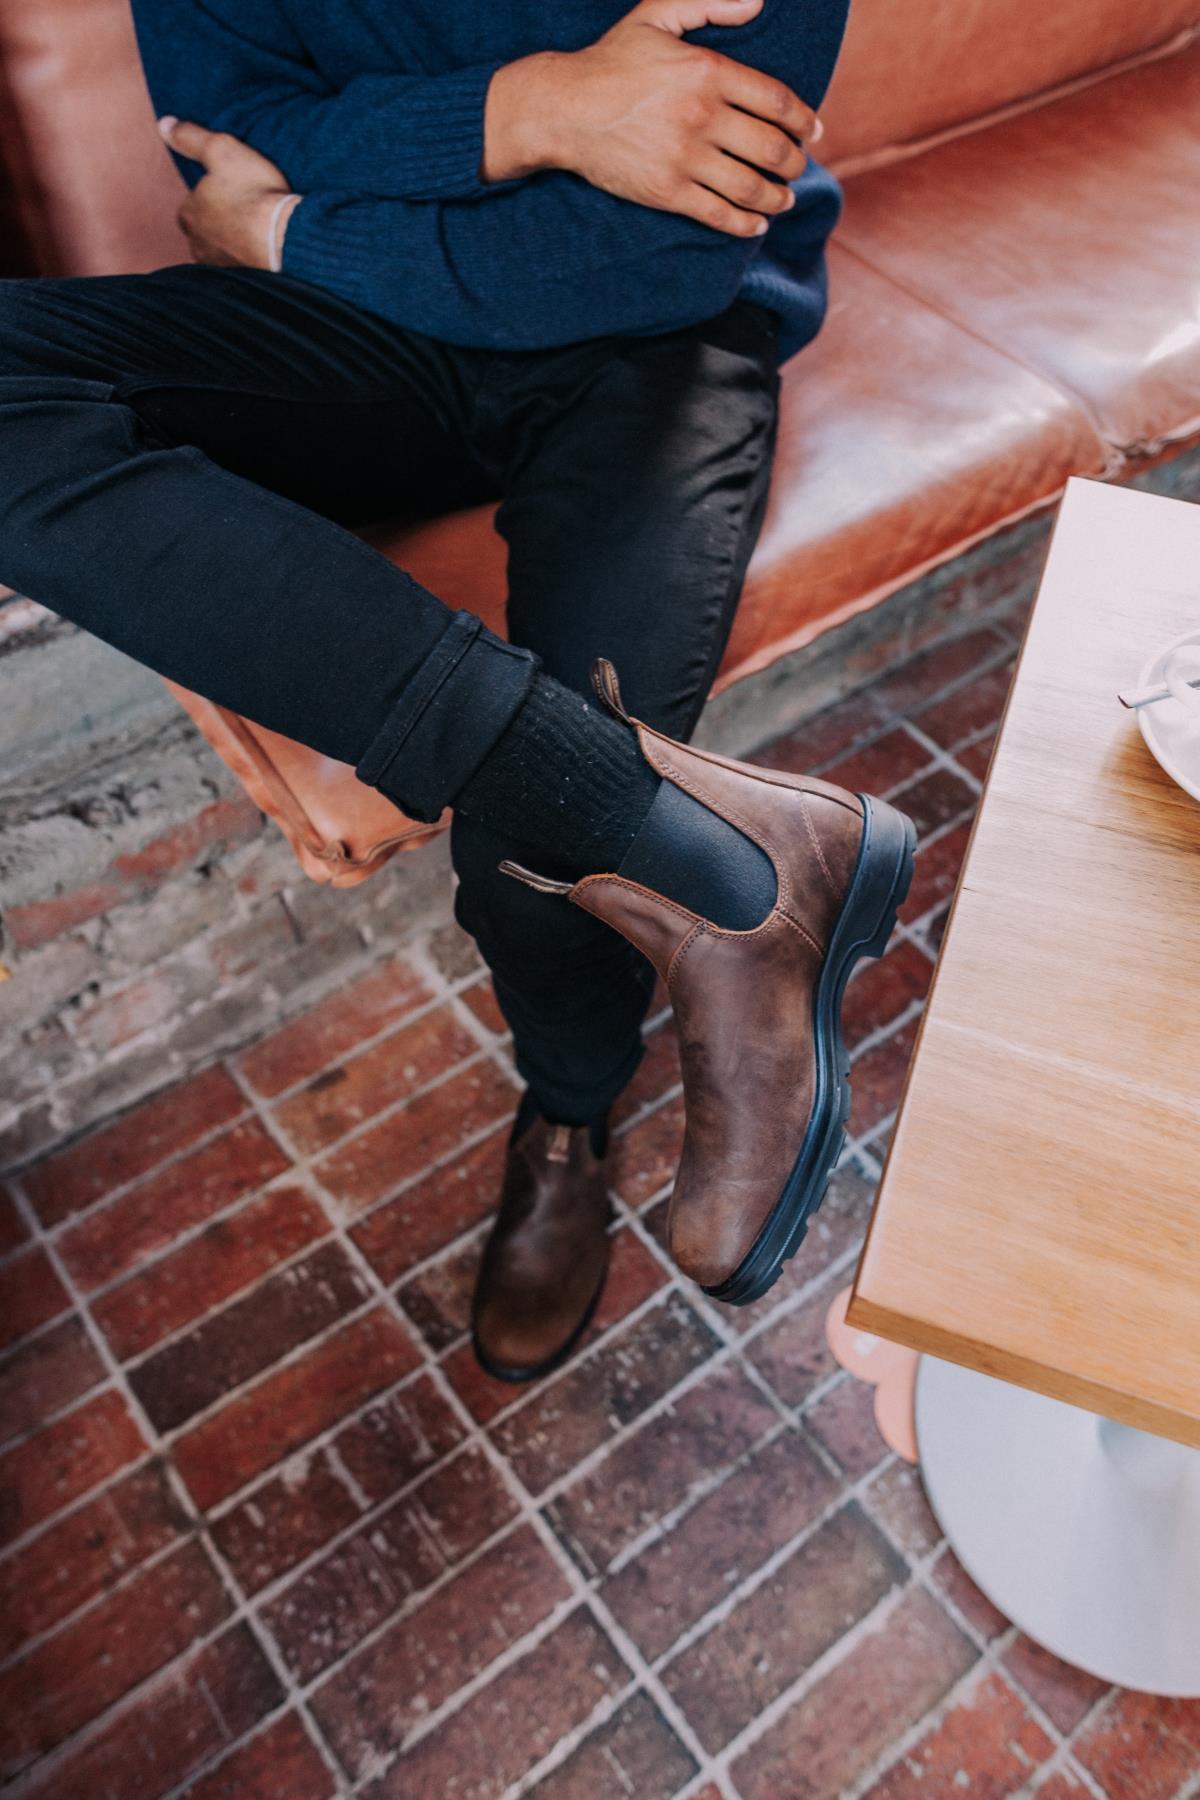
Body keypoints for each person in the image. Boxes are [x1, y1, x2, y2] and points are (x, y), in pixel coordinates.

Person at [0, 0, 914, 1382]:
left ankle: (566, 1115)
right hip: (351, 327)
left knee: (524, 851)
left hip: (652, 336)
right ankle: (720, 849)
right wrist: (539, 110)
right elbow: (234, 129)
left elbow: (656, 245)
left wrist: (305, 225)